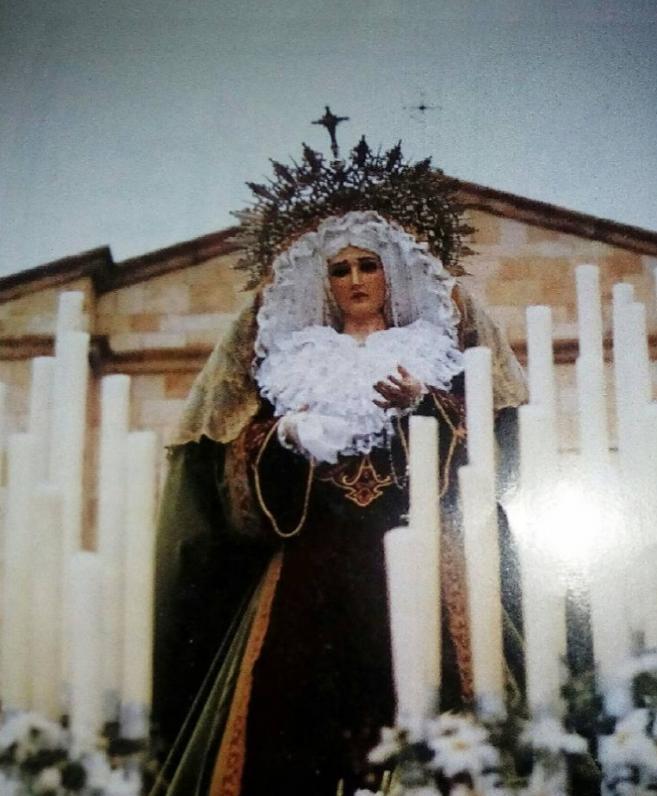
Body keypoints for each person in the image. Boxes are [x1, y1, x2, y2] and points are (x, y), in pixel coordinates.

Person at [151, 150, 527, 796]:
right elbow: (234, 468)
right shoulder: (293, 360)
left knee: (434, 701)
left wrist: (424, 407)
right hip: (312, 560)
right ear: (322, 281)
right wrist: (284, 436)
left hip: (419, 556)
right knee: (289, 715)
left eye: (367, 265)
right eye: (340, 268)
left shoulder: (431, 350)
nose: (355, 279)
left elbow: (490, 455)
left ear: (392, 272)